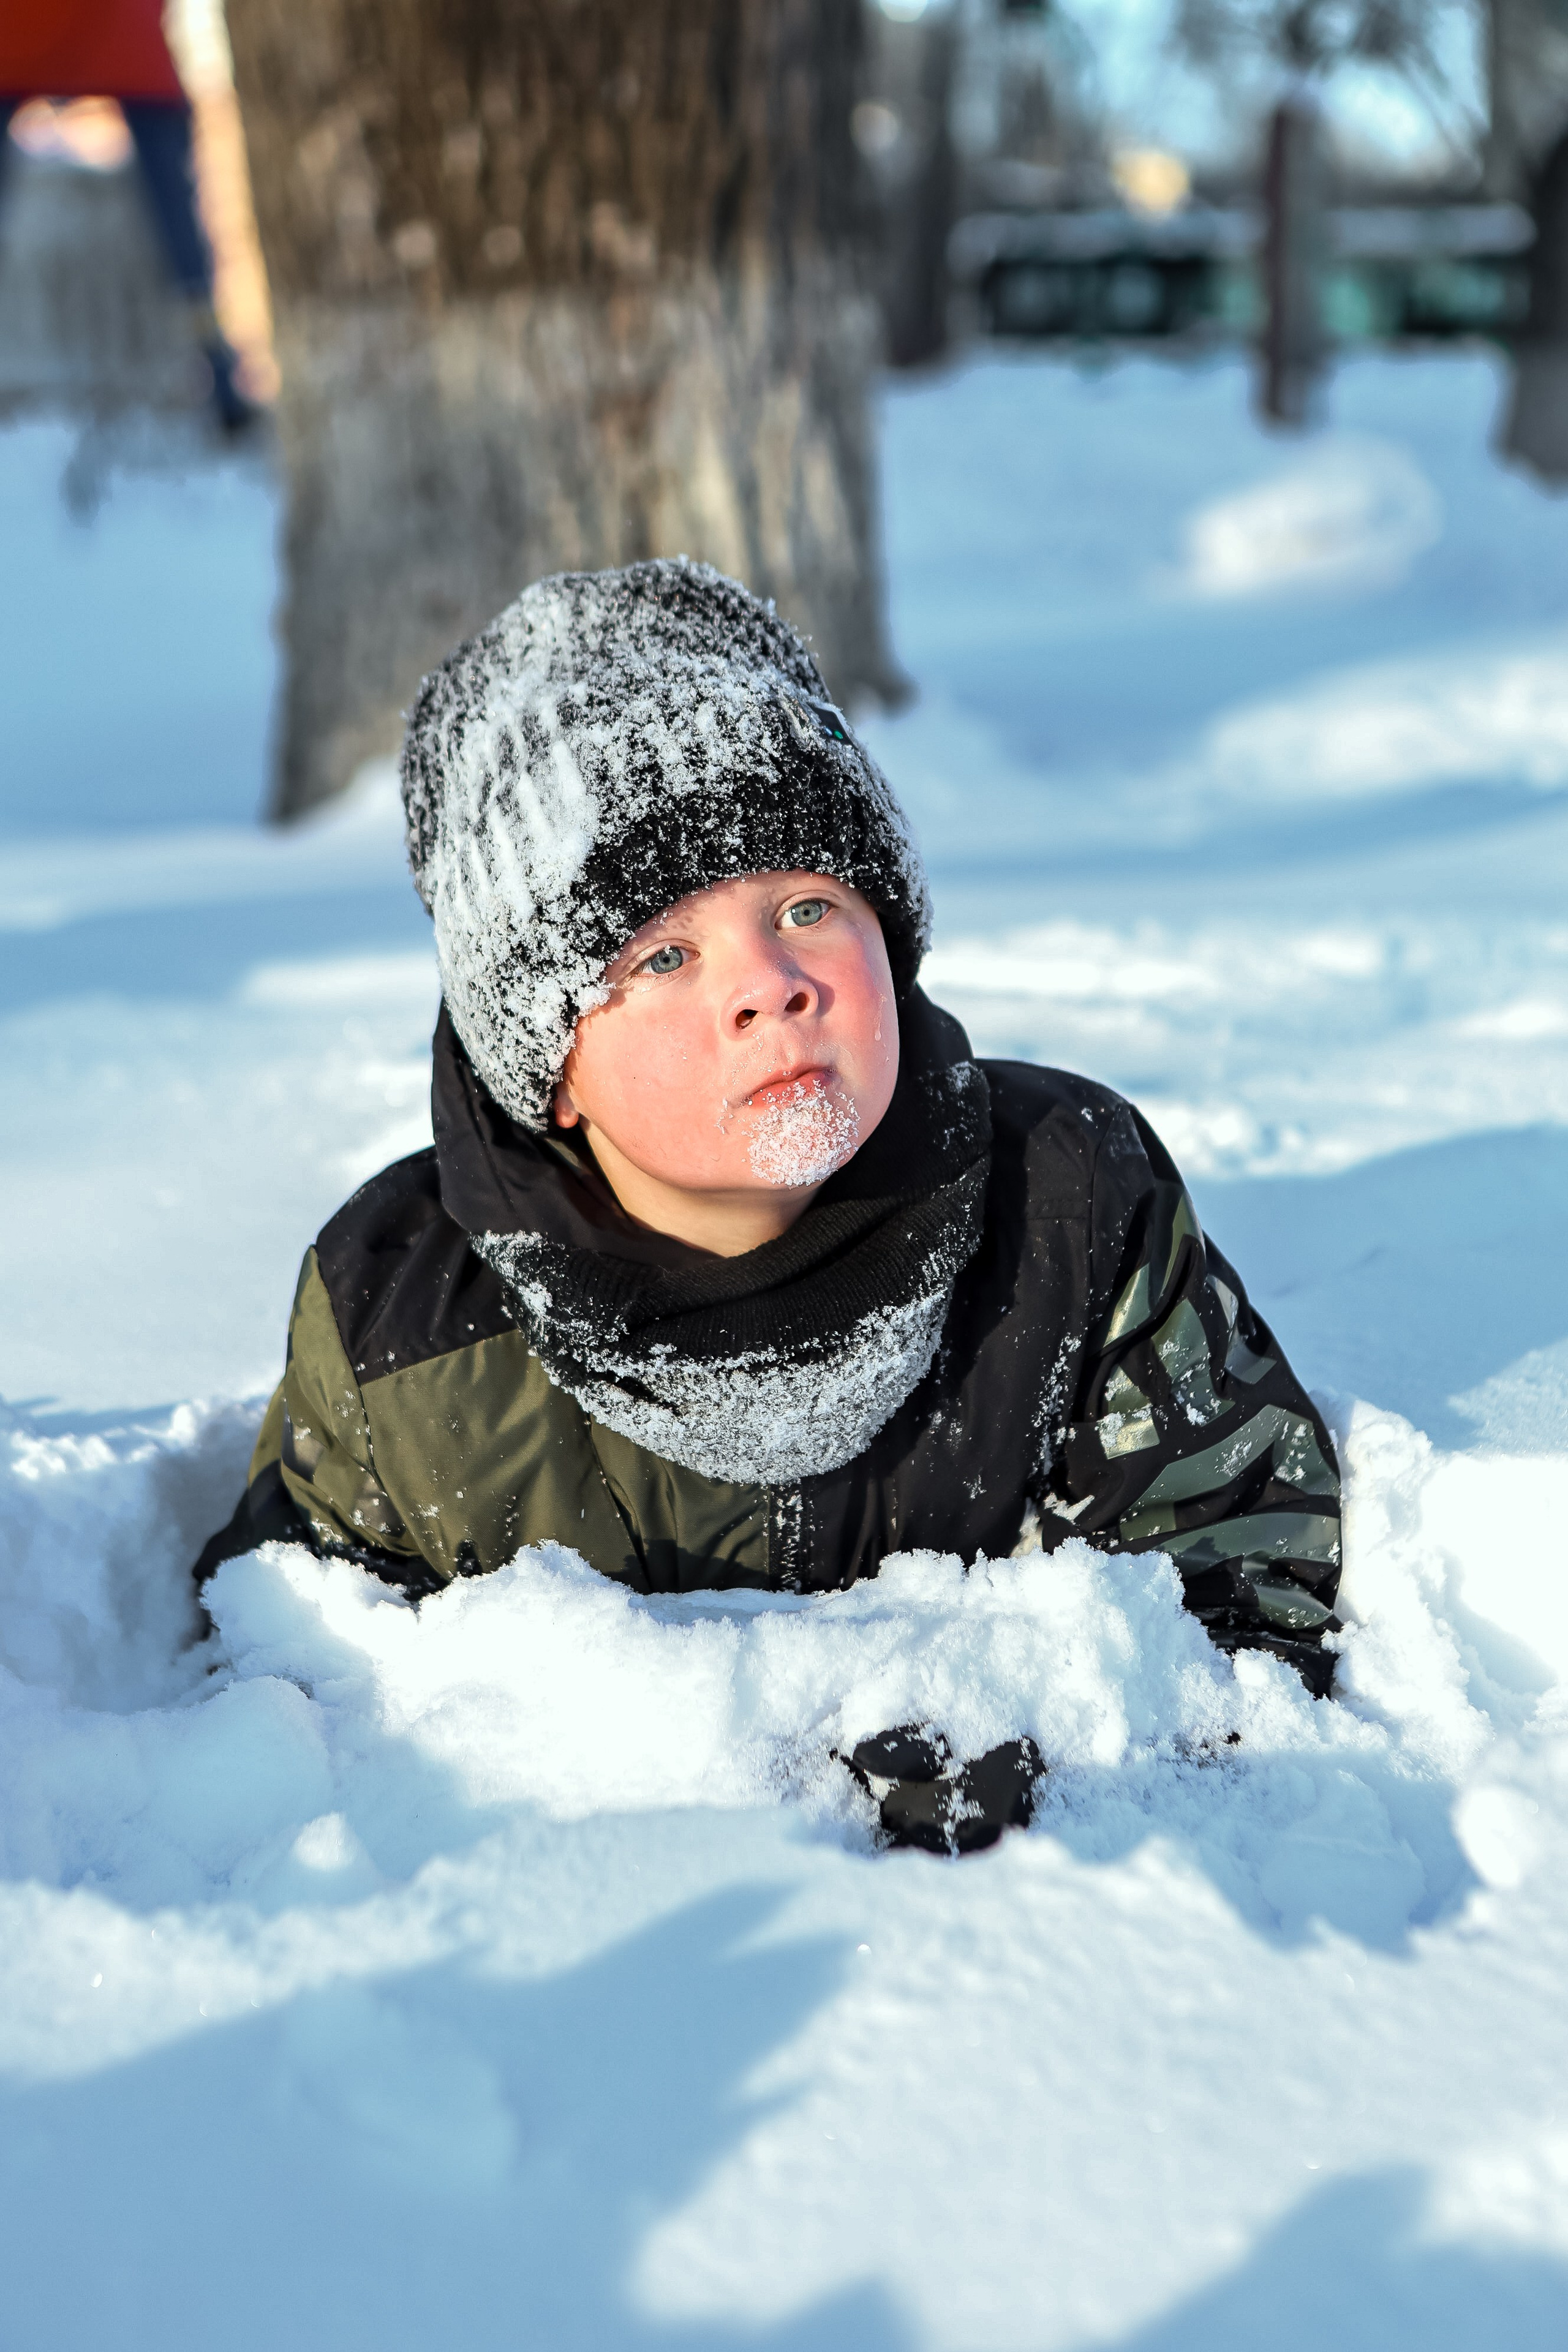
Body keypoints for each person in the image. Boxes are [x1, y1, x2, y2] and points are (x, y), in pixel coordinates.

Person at [195, 560, 1342, 1850]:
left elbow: (1242, 1565)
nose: (770, 985)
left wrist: (1056, 1753)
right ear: (546, 1067)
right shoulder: (403, 1321)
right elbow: (289, 1677)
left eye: (806, 906)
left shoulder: (1065, 1207)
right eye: (663, 955)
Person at [0, 0, 258, 432]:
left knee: (181, 220)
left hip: (95, 31)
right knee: (181, 221)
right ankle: (222, 380)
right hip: (66, 30)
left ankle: (221, 377)